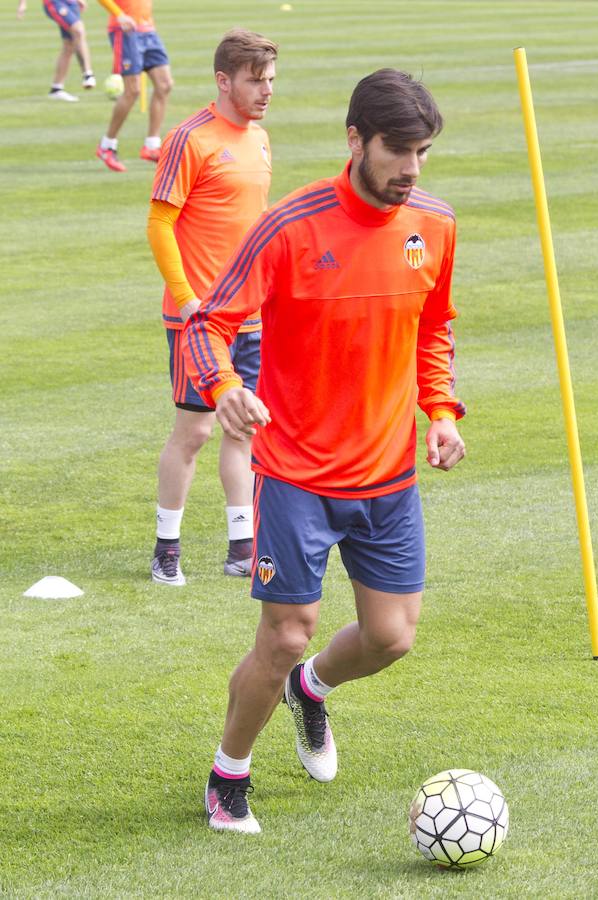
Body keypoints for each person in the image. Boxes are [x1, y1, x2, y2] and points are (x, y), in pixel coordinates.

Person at [182, 68, 467, 834]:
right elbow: (207, 321)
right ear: (355, 140)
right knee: (284, 632)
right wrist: (222, 390)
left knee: (390, 638)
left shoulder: (433, 225)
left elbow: (432, 329)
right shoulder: (290, 227)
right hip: (298, 473)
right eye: (397, 150)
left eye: (423, 151)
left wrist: (438, 410)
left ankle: (312, 690)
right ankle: (227, 776)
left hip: (387, 474)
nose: (410, 167)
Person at [147, 28, 277, 586]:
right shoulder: (189, 138)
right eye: (255, 80)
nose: (266, 90)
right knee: (194, 432)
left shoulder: (261, 139)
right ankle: (165, 548)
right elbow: (159, 223)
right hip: (197, 321)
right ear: (224, 81)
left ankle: (241, 547)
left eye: (271, 79)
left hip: (251, 315)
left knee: (243, 428)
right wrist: (187, 300)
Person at [95, 0, 173, 171]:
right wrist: (119, 14)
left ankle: (152, 146)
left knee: (165, 84)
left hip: (148, 29)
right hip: (125, 29)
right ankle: (107, 146)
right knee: (132, 91)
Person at [17, 0, 96, 102]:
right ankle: (88, 74)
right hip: (55, 2)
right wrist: (22, 4)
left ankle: (56, 89)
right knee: (79, 31)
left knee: (69, 45)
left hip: (71, 3)